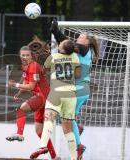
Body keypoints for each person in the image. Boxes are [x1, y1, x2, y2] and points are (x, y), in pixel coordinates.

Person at [50, 19, 99, 160]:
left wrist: (56, 32)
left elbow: (68, 44)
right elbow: (67, 45)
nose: (78, 38)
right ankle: (78, 145)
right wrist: (56, 33)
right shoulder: (83, 50)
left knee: (66, 120)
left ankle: (78, 146)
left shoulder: (84, 49)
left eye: (81, 37)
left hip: (78, 90)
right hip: (82, 89)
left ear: (88, 42)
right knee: (67, 120)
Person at [30, 39, 81, 160]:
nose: (59, 43)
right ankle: (74, 157)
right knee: (68, 129)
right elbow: (78, 75)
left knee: (48, 119)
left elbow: (43, 71)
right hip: (70, 95)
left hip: (56, 93)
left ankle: (42, 146)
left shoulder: (53, 57)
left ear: (62, 48)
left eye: (61, 43)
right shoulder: (75, 56)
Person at [6, 46, 58, 159]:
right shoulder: (25, 66)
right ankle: (54, 156)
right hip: (42, 99)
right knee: (39, 131)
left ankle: (19, 133)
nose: (25, 57)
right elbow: (26, 82)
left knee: (21, 108)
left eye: (27, 55)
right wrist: (19, 93)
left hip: (43, 97)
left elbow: (31, 86)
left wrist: (15, 84)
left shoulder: (34, 66)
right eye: (23, 55)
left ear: (31, 55)